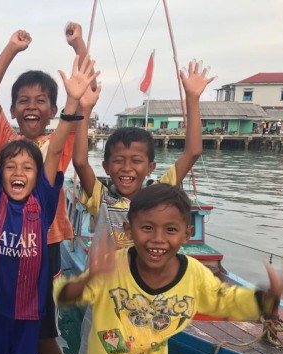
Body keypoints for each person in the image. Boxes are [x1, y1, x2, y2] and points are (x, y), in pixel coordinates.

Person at [54, 183, 283, 354]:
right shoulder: (112, 266)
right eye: (147, 228)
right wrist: (91, 279)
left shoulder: (193, 274)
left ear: (186, 234)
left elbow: (227, 301)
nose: (158, 239)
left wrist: (271, 294)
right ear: (129, 231)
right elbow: (64, 296)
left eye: (170, 230)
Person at [0, 22, 92, 354]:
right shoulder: (3, 145)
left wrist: (79, 46)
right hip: (3, 241)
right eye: (23, 100)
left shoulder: (57, 144)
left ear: (54, 110)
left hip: (46, 244)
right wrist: (10, 48)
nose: (32, 106)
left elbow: (84, 90)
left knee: (42, 332)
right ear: (12, 110)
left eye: (41, 101)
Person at [73, 59, 215, 248]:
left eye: (136, 161)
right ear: (106, 167)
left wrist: (192, 98)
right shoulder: (101, 198)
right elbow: (80, 162)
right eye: (119, 160)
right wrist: (84, 109)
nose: (127, 168)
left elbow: (192, 152)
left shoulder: (159, 193)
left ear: (150, 168)